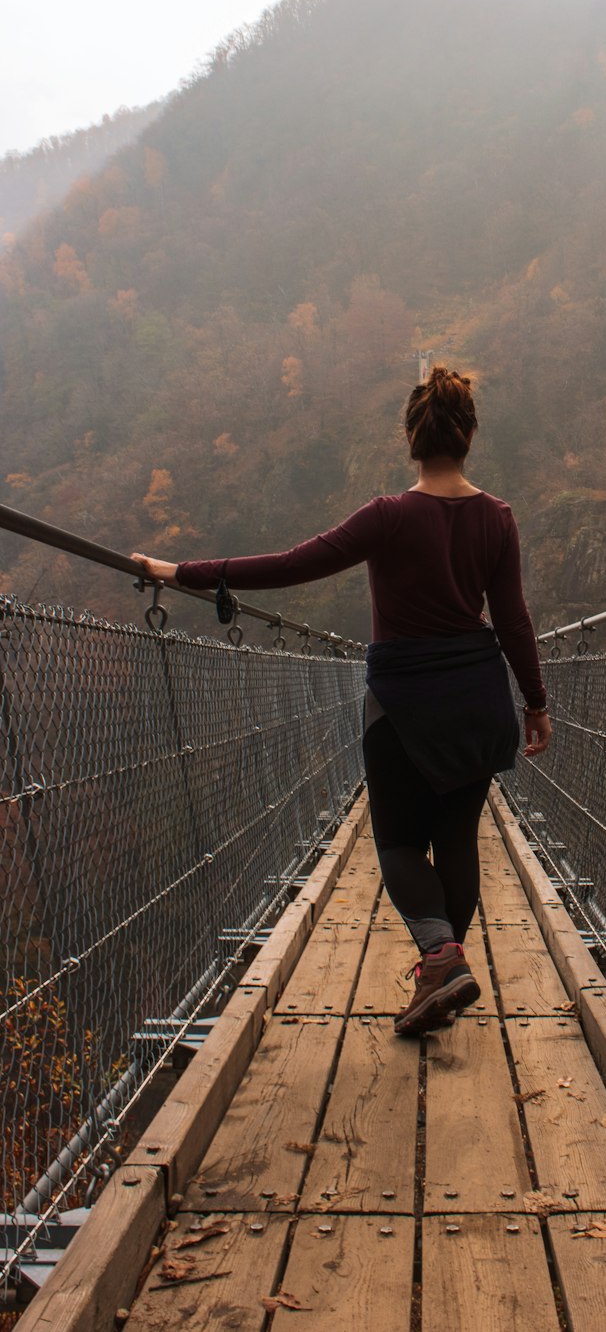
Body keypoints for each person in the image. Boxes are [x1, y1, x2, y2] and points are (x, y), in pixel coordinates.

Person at [132, 366, 551, 1036]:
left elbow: (292, 564)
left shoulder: (387, 517)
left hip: (404, 704)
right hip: (479, 697)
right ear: (469, 436)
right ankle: (442, 972)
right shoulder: (497, 519)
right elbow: (514, 620)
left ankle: (441, 959)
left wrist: (183, 572)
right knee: (456, 840)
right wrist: (535, 702)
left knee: (397, 842)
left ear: (412, 440)